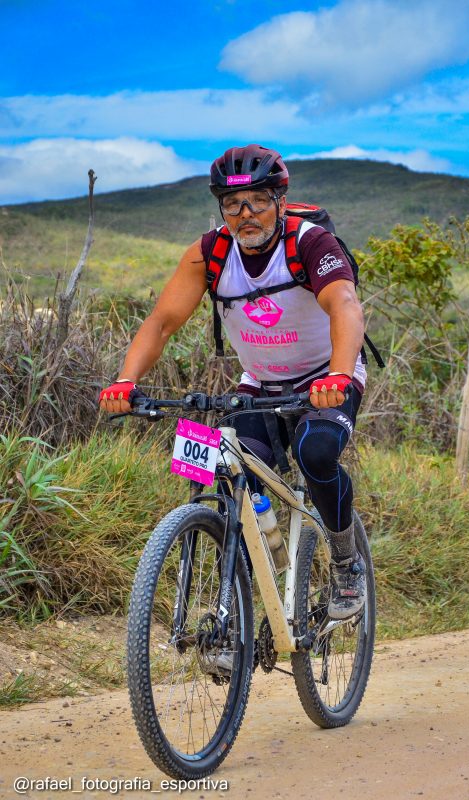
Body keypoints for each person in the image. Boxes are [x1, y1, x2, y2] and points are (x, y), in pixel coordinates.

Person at [99, 143, 367, 621]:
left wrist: (341, 375)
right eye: (232, 204)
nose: (246, 214)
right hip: (258, 382)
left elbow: (345, 304)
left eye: (259, 201)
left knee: (316, 453)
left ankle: (347, 562)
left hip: (323, 379)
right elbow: (161, 323)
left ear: (281, 202)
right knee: (216, 469)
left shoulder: (309, 244)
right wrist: (125, 380)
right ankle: (235, 609)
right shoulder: (211, 253)